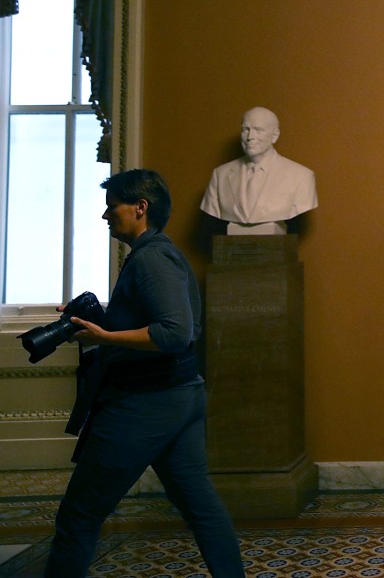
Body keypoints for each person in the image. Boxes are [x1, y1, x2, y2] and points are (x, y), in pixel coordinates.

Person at [46, 169, 245, 577]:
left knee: (78, 517)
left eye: (112, 205)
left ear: (140, 208)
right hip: (178, 397)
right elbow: (169, 325)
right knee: (201, 508)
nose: (105, 215)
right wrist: (99, 323)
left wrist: (104, 338)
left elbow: (175, 332)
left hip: (144, 405)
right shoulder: (157, 253)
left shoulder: (153, 257)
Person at [200, 106, 317, 233]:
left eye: (258, 130)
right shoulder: (220, 175)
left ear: (275, 135)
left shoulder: (301, 176)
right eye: (245, 129)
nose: (250, 136)